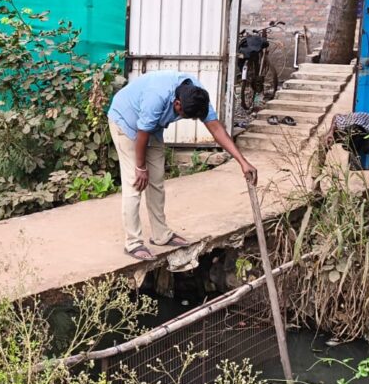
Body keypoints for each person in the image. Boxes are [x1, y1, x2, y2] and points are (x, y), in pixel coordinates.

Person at [107, 70, 259, 261]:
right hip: (126, 123)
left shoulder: (197, 95)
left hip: (151, 128)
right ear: (176, 104)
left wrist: (242, 162)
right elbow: (141, 132)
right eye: (185, 116)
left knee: (156, 181)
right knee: (135, 183)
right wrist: (140, 167)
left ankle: (161, 235)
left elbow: (216, 129)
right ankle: (133, 243)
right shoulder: (157, 97)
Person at [321, 112, 369, 196]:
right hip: (355, 123)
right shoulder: (343, 124)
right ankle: (315, 187)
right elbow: (336, 116)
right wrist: (330, 132)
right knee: (322, 142)